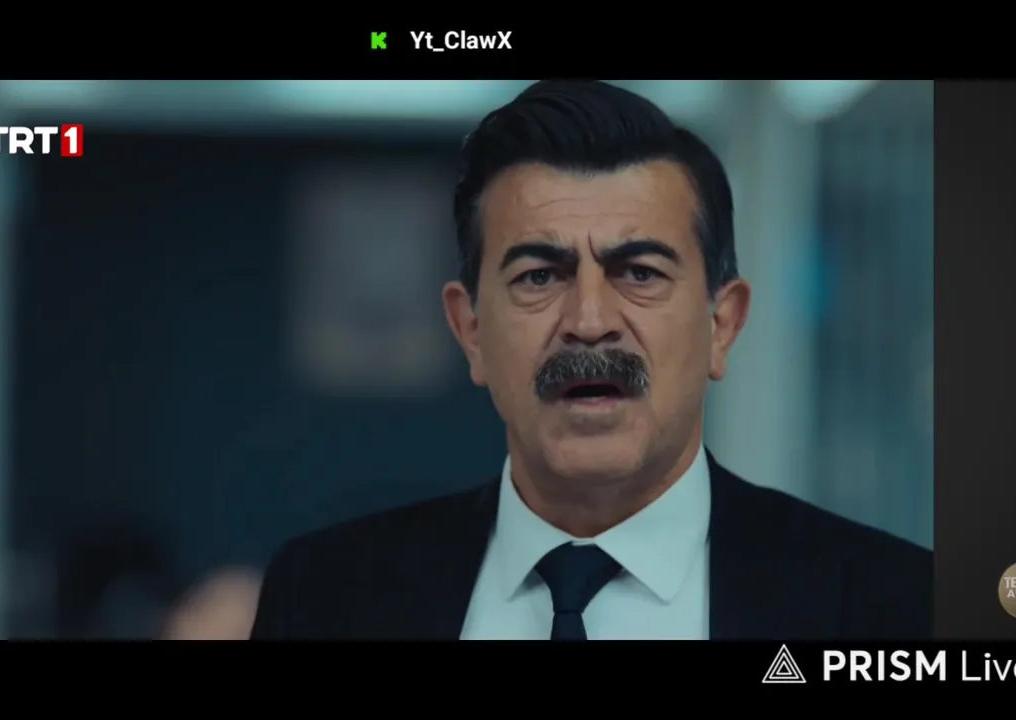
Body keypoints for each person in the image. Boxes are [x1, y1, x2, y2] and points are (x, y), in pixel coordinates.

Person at [251, 80, 932, 640]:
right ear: (471, 331)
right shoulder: (322, 597)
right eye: (539, 276)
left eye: (639, 273)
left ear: (721, 325)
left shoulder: (897, 604)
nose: (589, 322)